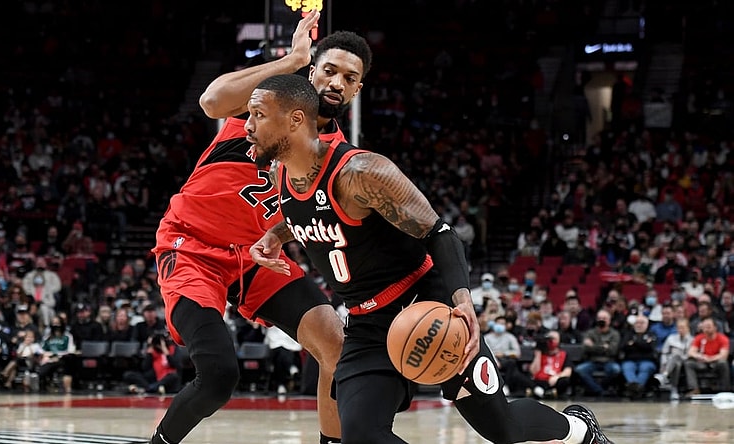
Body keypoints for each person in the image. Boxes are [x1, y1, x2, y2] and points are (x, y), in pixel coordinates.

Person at [248, 73, 613, 444]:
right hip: (366, 324)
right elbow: (311, 214)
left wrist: (462, 302)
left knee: (504, 429)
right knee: (359, 436)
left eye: (258, 115)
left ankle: (580, 429)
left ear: (295, 119)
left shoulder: (360, 173)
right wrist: (276, 235)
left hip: (426, 304)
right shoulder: (281, 175)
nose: (247, 126)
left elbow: (439, 233)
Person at [148, 11, 368, 444]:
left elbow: (308, 215)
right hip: (193, 246)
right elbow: (212, 101)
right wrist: (290, 61)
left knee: (336, 345)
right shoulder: (266, 105)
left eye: (348, 77)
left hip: (258, 258)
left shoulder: (338, 155)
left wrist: (280, 236)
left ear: (357, 88)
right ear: (312, 71)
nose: (336, 83)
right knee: (218, 376)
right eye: (328, 70)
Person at [683, 317, 730, 396]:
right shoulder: (699, 337)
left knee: (723, 363)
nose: (706, 329)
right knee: (689, 363)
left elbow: (723, 355)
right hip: (702, 362)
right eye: (704, 327)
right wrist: (700, 356)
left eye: (708, 327)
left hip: (715, 363)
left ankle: (725, 390)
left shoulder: (723, 338)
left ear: (715, 327)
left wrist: (711, 359)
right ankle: (694, 389)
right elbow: (691, 352)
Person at [656, 318, 693, 400]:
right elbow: (664, 353)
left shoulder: (692, 340)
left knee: (676, 356)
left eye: (683, 327)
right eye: (679, 328)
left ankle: (664, 376)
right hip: (671, 362)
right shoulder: (671, 338)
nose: (681, 330)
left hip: (686, 361)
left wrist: (678, 356)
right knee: (676, 362)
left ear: (688, 328)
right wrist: (664, 364)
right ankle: (674, 389)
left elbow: (690, 354)